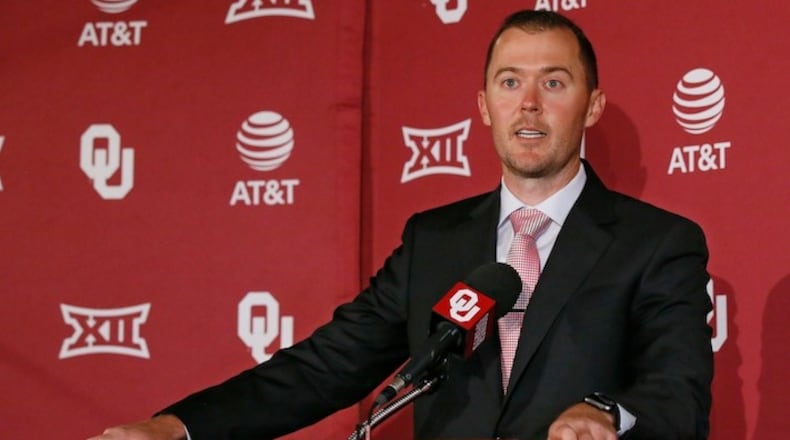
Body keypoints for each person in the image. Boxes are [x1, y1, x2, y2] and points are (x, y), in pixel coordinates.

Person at [89, 9, 713, 440]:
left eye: (554, 82)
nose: (529, 103)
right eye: (509, 82)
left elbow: (678, 392)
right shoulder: (433, 242)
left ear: (592, 105)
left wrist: (604, 413)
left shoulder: (656, 244)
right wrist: (179, 427)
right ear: (484, 106)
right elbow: (324, 367)